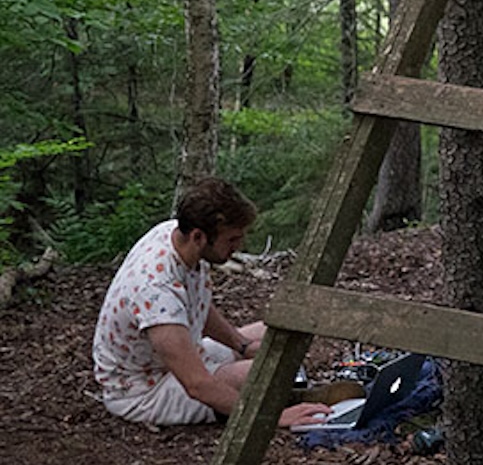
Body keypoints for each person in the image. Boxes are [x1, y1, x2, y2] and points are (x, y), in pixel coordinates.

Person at [93, 177, 328, 428]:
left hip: (178, 355)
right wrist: (272, 420)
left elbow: (196, 306)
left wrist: (242, 344)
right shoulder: (155, 289)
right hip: (145, 390)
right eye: (232, 239)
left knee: (276, 332)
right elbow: (197, 384)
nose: (239, 246)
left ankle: (288, 391)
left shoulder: (175, 235)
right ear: (199, 236)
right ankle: (287, 401)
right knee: (267, 371)